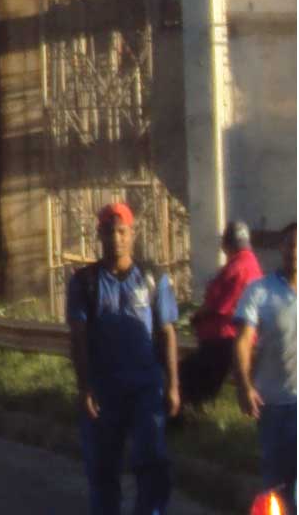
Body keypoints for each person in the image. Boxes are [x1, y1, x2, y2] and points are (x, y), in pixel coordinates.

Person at [68, 200, 180, 515]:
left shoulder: (152, 278)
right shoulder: (85, 282)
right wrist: (85, 386)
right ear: (99, 235)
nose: (116, 239)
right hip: (104, 390)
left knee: (153, 463)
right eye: (109, 232)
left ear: (132, 234)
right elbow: (78, 336)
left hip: (146, 387)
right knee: (103, 470)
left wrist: (173, 386)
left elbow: (167, 332)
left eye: (122, 232)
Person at [234, 224, 296, 509]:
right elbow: (243, 341)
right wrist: (245, 386)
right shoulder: (260, 291)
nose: (294, 252)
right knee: (277, 488)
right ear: (281, 249)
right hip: (274, 406)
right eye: (289, 245)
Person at [185, 222, 265, 413]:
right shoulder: (252, 264)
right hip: (239, 336)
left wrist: (194, 317)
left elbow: (217, 305)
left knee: (185, 377)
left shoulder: (235, 268)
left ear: (227, 245)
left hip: (223, 338)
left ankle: (183, 413)